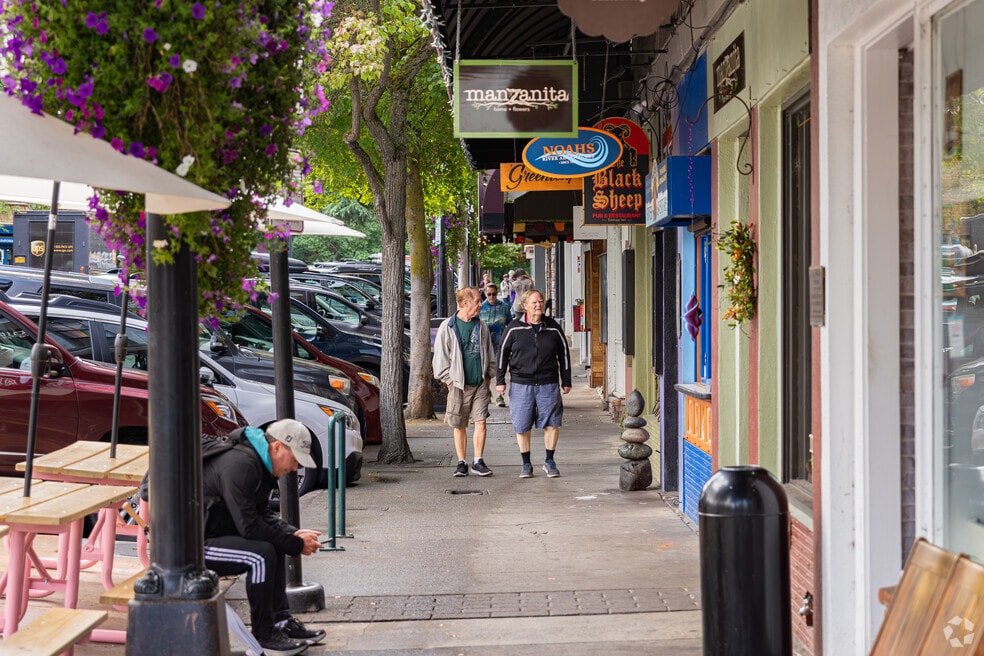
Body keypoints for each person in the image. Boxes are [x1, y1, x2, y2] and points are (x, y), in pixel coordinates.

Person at [201, 419, 326, 656]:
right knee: (261, 555)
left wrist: (290, 533)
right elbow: (249, 527)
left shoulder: (256, 463)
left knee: (274, 544)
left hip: (214, 533)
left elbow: (260, 514)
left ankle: (280, 622)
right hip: (191, 545)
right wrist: (296, 543)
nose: (294, 468)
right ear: (277, 447)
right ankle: (265, 634)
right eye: (295, 460)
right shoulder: (242, 464)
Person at [496, 289, 572, 478]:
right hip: (522, 384)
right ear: (524, 306)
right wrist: (500, 381)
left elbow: (564, 354)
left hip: (549, 383)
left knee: (552, 423)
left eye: (541, 301)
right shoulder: (513, 328)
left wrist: (566, 379)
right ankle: (526, 464)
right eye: (534, 302)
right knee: (522, 425)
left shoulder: (553, 327)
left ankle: (549, 461)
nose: (539, 305)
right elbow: (502, 355)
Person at [432, 286, 497, 477]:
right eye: (477, 300)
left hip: (480, 383)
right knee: (459, 424)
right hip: (459, 384)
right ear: (465, 303)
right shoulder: (448, 326)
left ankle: (478, 460)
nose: (480, 304)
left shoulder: (481, 325)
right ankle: (461, 462)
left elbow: (489, 351)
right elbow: (440, 358)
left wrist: (489, 374)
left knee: (481, 421)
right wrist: (449, 381)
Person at [479, 282, 512, 407]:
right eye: (489, 294)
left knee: (500, 370)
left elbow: (509, 324)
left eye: (493, 294)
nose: (491, 297)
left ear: (497, 293)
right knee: (486, 370)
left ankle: (500, 396)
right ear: (485, 294)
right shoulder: (481, 307)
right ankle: (487, 394)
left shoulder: (504, 307)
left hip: (500, 344)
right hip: (485, 344)